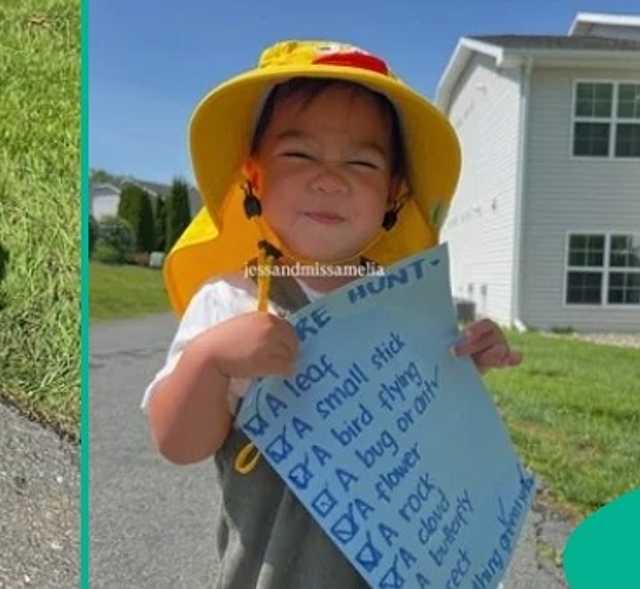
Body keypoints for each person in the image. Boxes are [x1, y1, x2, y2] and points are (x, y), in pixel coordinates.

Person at [142, 40, 523, 587]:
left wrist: (463, 366)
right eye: (299, 155)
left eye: (361, 162)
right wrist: (209, 360)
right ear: (254, 175)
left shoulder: (402, 306)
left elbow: (424, 420)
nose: (330, 178)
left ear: (393, 192)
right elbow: (178, 444)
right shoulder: (232, 301)